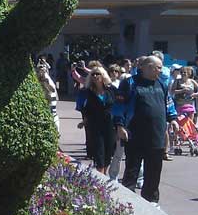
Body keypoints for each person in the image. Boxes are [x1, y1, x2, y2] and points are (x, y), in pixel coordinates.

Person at [113, 56, 179, 205]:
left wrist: (173, 119)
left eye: (161, 67)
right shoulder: (129, 83)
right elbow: (119, 106)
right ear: (147, 67)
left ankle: (151, 201)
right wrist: (120, 125)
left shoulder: (161, 84)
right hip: (135, 135)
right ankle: (127, 203)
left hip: (156, 135)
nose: (160, 70)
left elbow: (168, 103)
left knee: (154, 171)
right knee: (132, 170)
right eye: (158, 67)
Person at [76, 66, 117, 176]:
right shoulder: (87, 92)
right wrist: (84, 121)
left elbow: (119, 105)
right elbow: (85, 109)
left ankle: (103, 174)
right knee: (99, 154)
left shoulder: (111, 90)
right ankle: (101, 177)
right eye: (93, 74)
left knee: (109, 153)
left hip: (110, 125)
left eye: (97, 74)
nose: (95, 76)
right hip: (95, 126)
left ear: (103, 75)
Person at [36, 64, 59, 133]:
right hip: (43, 105)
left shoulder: (47, 79)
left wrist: (46, 83)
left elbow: (52, 90)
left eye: (43, 70)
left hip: (51, 105)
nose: (41, 73)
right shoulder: (37, 80)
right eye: (39, 71)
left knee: (53, 118)